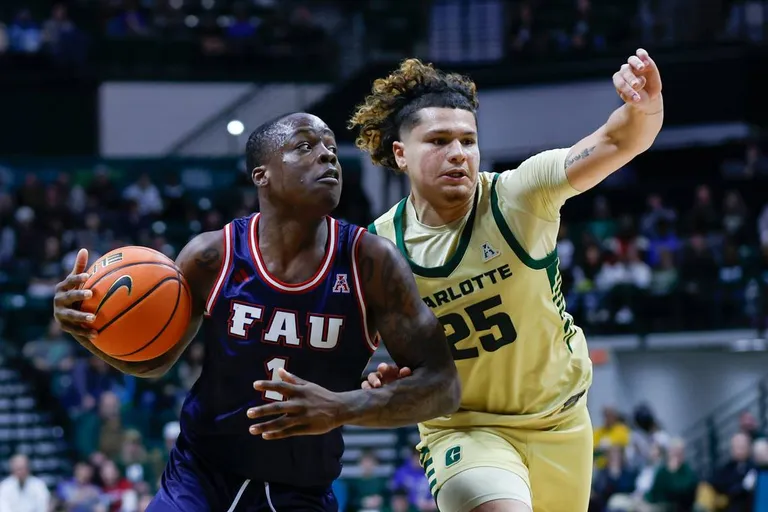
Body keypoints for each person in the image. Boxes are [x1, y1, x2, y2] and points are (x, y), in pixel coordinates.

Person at [53, 112, 461, 511]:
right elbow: (155, 362)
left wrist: (343, 407)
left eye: (332, 148)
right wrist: (89, 331)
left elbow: (444, 386)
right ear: (261, 174)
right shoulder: (212, 256)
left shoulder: (371, 263)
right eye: (305, 145)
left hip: (301, 489)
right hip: (199, 475)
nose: (327, 156)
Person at [350, 49, 664, 512]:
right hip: (463, 428)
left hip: (560, 419)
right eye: (438, 141)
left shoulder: (519, 197)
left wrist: (646, 106)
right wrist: (381, 377)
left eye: (467, 140)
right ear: (400, 153)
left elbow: (620, 142)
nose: (458, 153)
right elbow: (349, 349)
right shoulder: (377, 248)